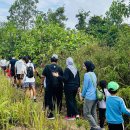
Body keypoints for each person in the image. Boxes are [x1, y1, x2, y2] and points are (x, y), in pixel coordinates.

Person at [41, 54, 63, 119]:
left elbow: (42, 76)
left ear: (51, 60)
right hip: (58, 87)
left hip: (49, 86)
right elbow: (62, 78)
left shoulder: (47, 67)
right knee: (58, 99)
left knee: (50, 99)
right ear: (57, 60)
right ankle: (58, 113)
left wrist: (42, 84)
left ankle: (51, 114)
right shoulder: (59, 68)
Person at [81, 61, 101, 130]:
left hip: (89, 96)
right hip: (95, 96)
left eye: (84, 66)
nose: (83, 67)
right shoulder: (93, 74)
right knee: (93, 112)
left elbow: (85, 87)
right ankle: (95, 126)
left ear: (87, 67)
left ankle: (95, 127)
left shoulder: (86, 75)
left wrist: (82, 95)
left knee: (86, 113)